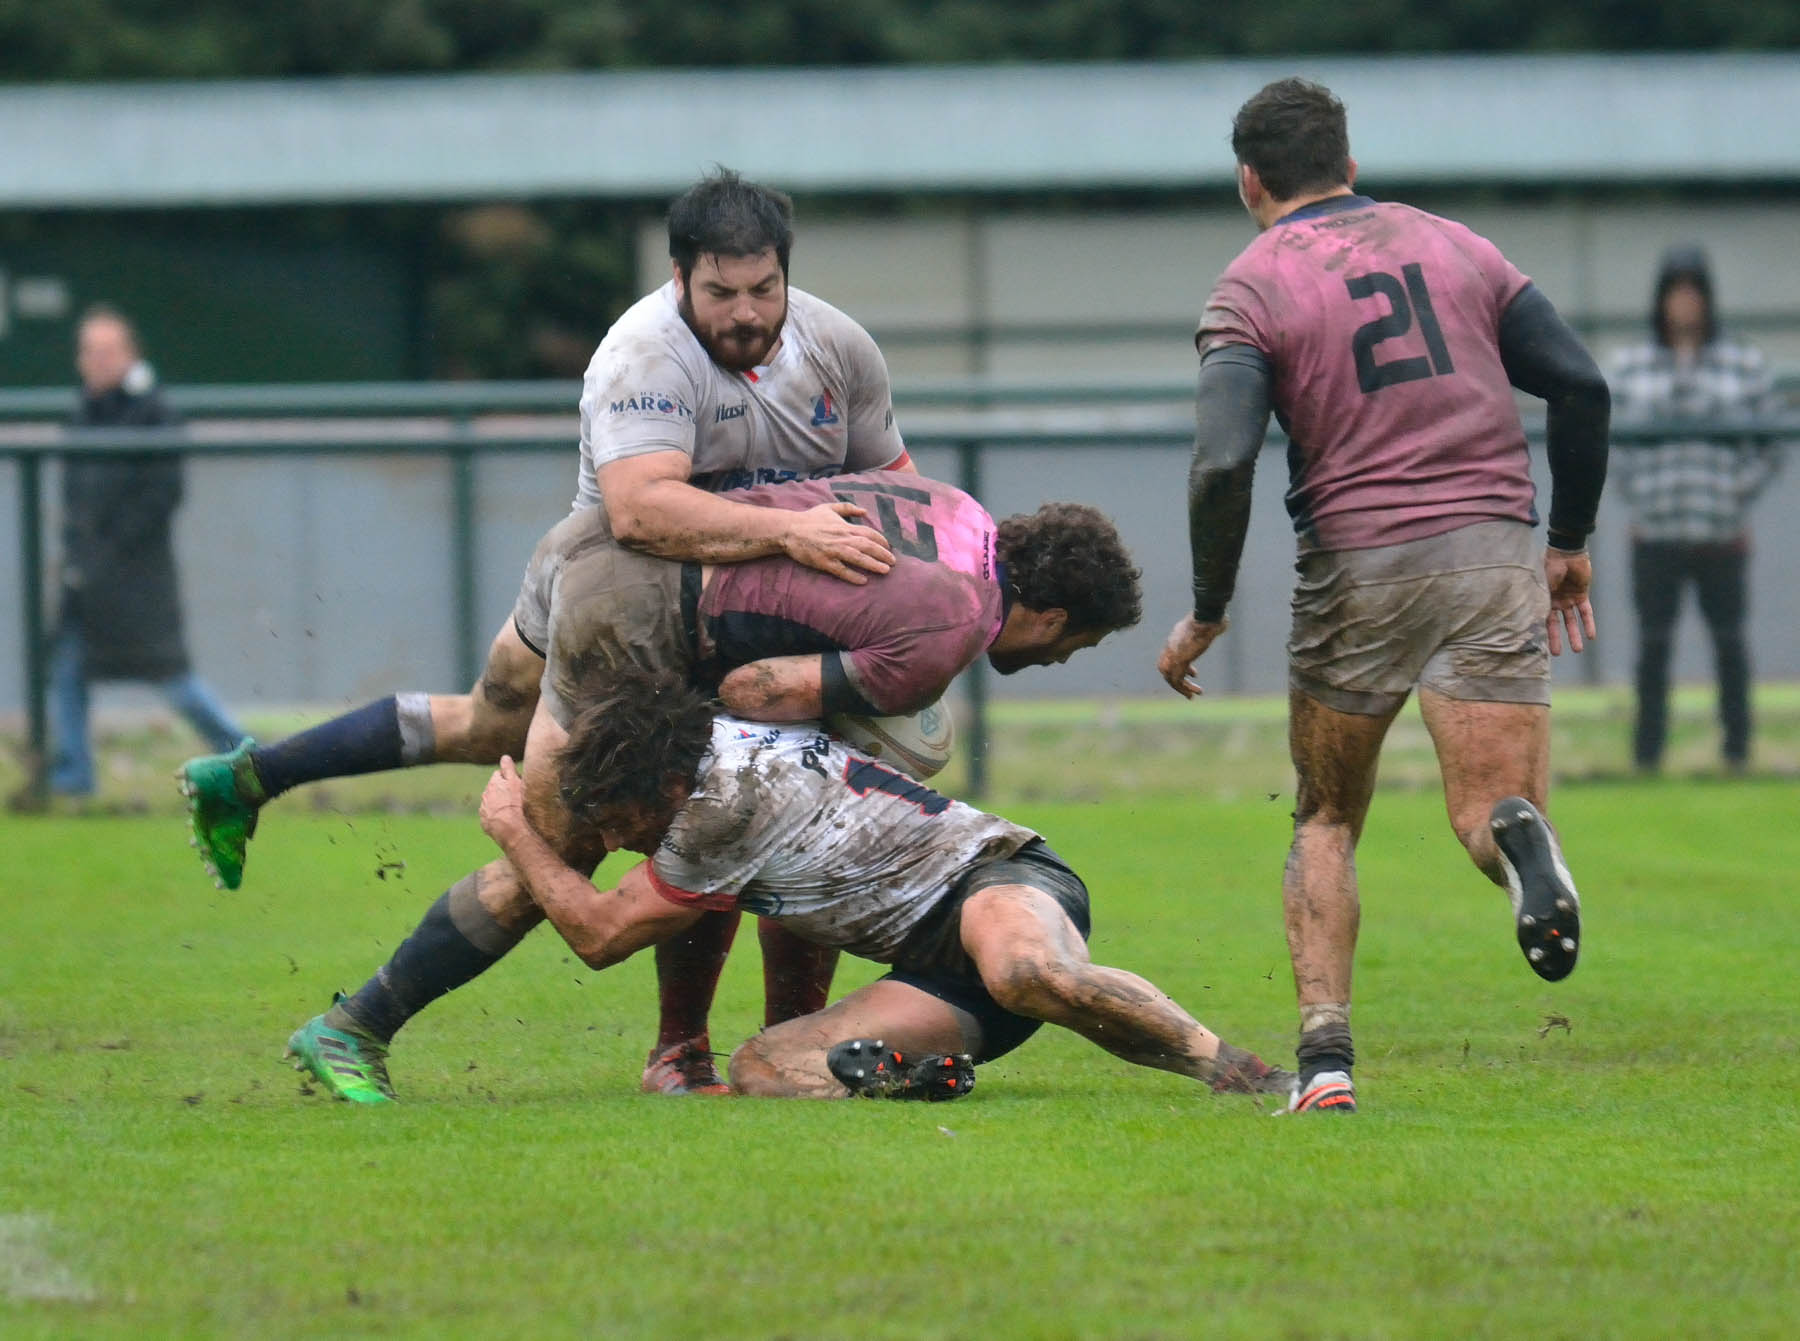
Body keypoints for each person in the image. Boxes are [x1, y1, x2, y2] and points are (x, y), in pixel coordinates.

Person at [180, 168, 913, 1093]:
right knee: (572, 845)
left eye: (763, 289)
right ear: (681, 276)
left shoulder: (837, 347)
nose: (745, 312)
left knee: (488, 725)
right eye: (721, 291)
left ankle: (250, 775)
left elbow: (900, 494)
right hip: (617, 606)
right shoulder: (643, 354)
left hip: (697, 616)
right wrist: (792, 530)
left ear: (786, 275)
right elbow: (642, 513)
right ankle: (355, 1025)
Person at [281, 491, 1143, 1103]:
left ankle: (716, 1049)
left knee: (508, 735)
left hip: (607, 560)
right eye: (1081, 642)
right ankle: (356, 1023)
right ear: (1054, 614)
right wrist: (747, 762)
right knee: (562, 850)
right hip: (643, 614)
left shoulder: (958, 515)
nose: (1066, 661)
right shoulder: (954, 622)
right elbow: (762, 687)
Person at [1155, 79, 1611, 1115]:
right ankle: (1520, 843)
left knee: (1325, 816)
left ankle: (1324, 1062)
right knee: (1486, 809)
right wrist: (1570, 541)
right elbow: (1582, 383)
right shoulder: (1459, 247)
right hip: (1492, 551)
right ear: (1348, 163)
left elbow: (1223, 461)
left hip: (1358, 569)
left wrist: (1208, 608)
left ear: (1249, 180)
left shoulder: (1251, 285)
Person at [459, 668, 1290, 1104]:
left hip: (991, 877)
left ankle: (1249, 1075)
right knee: (764, 1068)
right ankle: (913, 1076)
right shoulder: (710, 755)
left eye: (618, 816)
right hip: (929, 974)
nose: (611, 839)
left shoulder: (719, 805)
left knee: (1024, 972)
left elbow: (600, 936)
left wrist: (514, 833)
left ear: (665, 786)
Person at [42, 305, 246, 801]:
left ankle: (248, 758)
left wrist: (110, 547)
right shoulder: (81, 413)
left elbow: (163, 495)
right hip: (85, 579)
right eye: (89, 350)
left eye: (108, 349)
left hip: (138, 581)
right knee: (66, 670)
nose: (97, 360)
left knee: (173, 679)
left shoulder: (155, 412)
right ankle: (73, 777)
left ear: (130, 354)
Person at [1607, 245, 1785, 774]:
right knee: (1653, 647)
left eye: (1693, 292)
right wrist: (1640, 495)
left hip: (1721, 532)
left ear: (1708, 298)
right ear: (1660, 299)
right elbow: (1612, 443)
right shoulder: (1632, 364)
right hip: (1655, 532)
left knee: (1730, 644)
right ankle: (1647, 756)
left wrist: (1736, 490)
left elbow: (1771, 441)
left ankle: (1737, 751)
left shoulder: (1744, 363)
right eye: (1675, 292)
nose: (1684, 304)